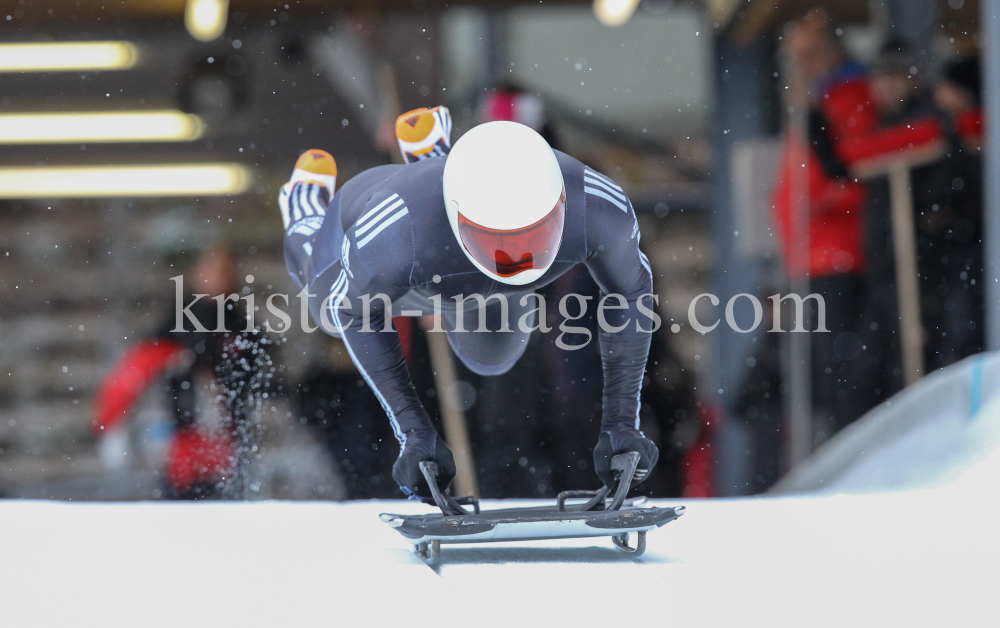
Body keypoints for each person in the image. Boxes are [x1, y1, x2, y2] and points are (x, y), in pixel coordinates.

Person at [278, 112, 659, 498]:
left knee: (493, 356)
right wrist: (414, 432)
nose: (518, 259)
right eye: (500, 242)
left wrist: (622, 424)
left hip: (459, 274)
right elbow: (353, 313)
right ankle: (304, 203)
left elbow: (631, 292)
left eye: (534, 235)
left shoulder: (597, 205)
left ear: (562, 202)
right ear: (459, 216)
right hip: (405, 252)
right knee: (326, 311)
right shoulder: (393, 234)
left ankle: (435, 156)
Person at [92, 248, 259, 499]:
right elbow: (145, 360)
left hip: (226, 435)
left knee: (227, 501)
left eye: (225, 272)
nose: (219, 279)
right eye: (213, 272)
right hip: (183, 433)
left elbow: (260, 362)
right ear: (199, 275)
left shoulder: (239, 320)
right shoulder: (182, 316)